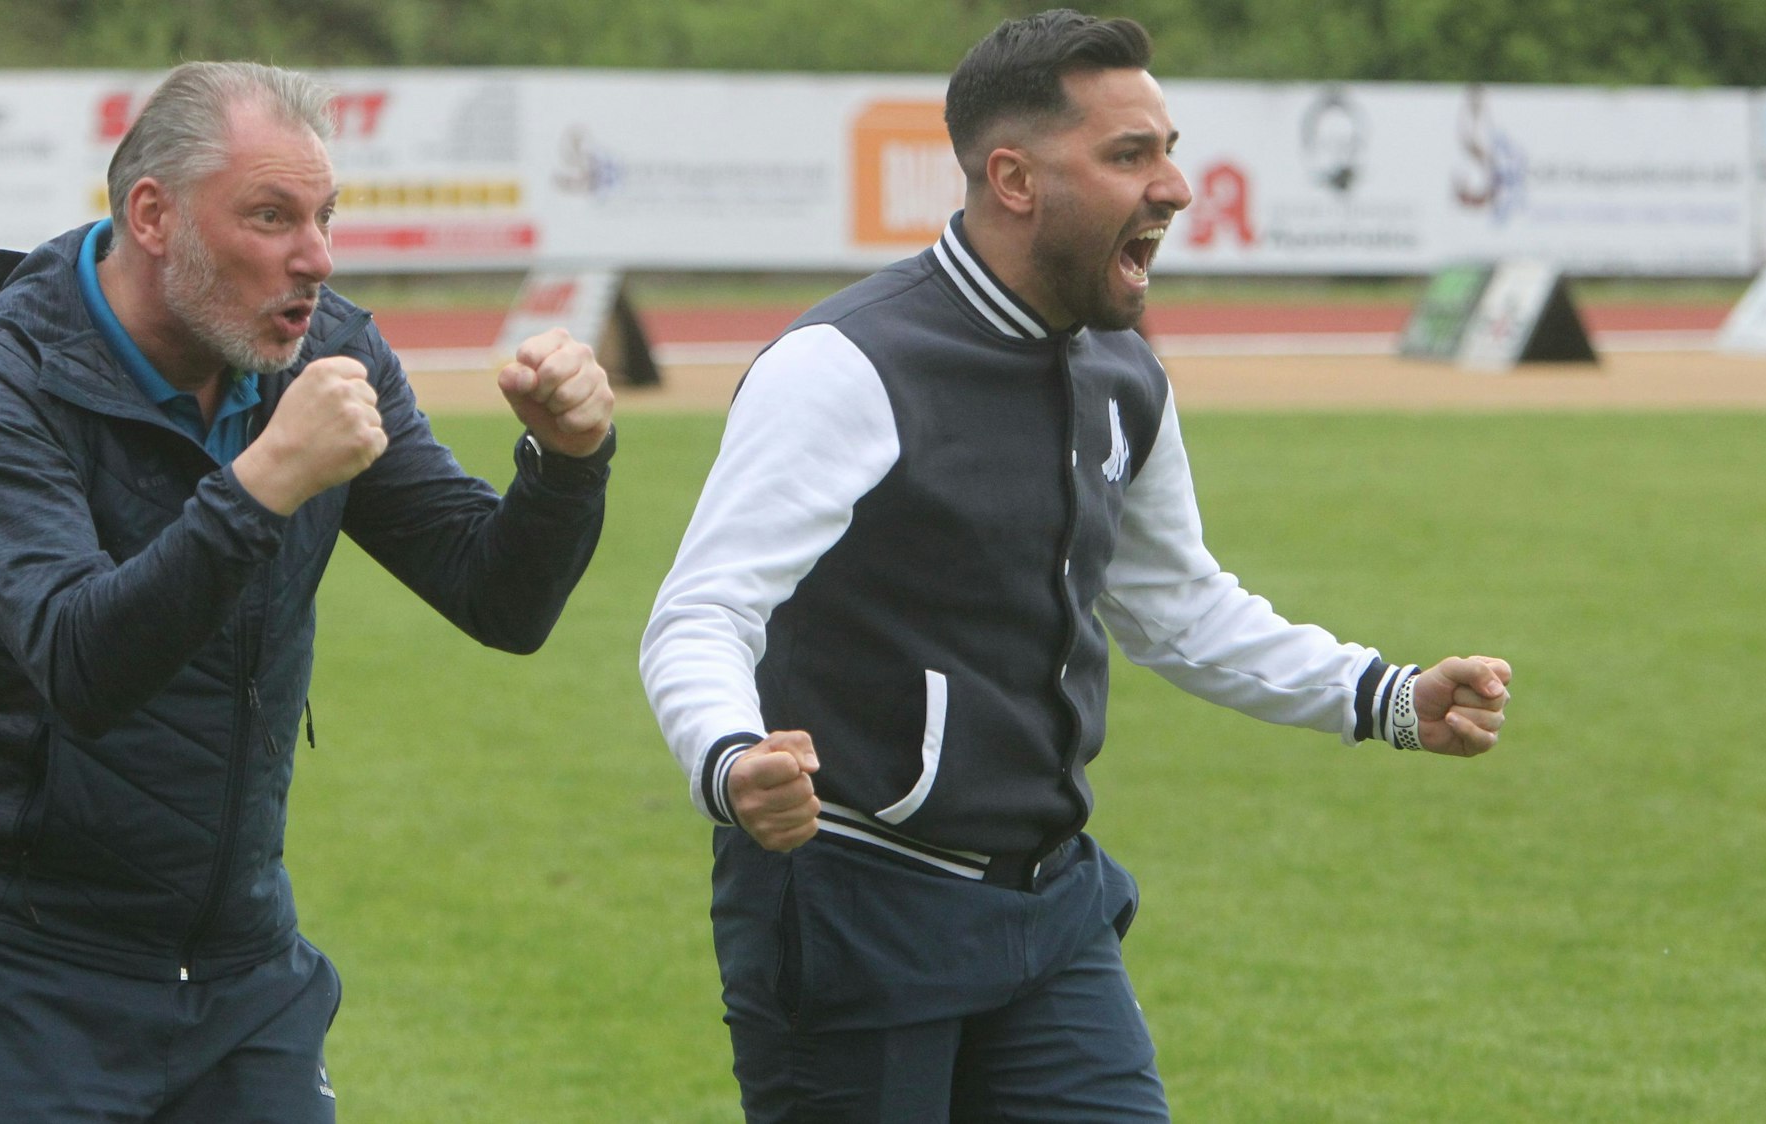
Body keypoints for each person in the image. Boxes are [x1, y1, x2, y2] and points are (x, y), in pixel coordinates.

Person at [639, 10, 1511, 1121]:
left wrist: (1380, 694)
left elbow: (1177, 604)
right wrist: (729, 754)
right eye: (1130, 155)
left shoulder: (1126, 372)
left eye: (1170, 148)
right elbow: (702, 612)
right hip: (855, 908)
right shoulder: (844, 367)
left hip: (1053, 908)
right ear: (1013, 177)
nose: (1178, 187)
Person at [0, 61, 614, 1123]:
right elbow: (81, 664)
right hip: (20, 963)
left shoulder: (328, 348)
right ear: (154, 215)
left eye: (325, 215)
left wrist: (564, 463)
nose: (315, 258)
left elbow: (496, 596)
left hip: (240, 962)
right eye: (271, 216)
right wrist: (266, 480)